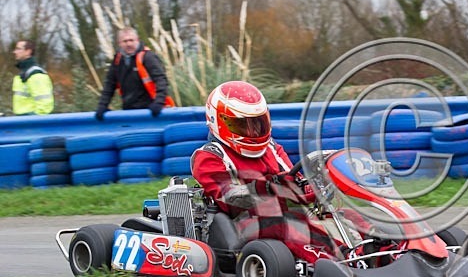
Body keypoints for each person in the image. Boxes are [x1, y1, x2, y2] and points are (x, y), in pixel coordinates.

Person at [190, 81, 339, 263]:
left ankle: (367, 253)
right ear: (218, 122)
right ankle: (334, 264)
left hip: (282, 213)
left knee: (343, 216)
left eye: (257, 123)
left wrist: (316, 187)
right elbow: (229, 198)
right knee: (284, 226)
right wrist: (268, 187)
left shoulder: (272, 148)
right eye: (242, 125)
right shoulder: (209, 156)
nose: (252, 132)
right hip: (242, 222)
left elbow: (295, 180)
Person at [95, 27, 174, 121]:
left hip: (151, 110)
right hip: (129, 111)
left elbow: (161, 80)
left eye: (131, 40)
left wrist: (159, 102)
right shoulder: (117, 60)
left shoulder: (148, 57)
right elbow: (109, 84)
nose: (129, 44)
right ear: (119, 43)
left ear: (137, 40)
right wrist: (102, 105)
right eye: (125, 41)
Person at [12, 40, 54, 115]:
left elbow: (45, 105)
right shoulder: (23, 74)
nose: (14, 52)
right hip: (23, 121)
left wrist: (34, 122)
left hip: (31, 122)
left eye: (18, 49)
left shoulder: (36, 75)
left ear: (28, 51)